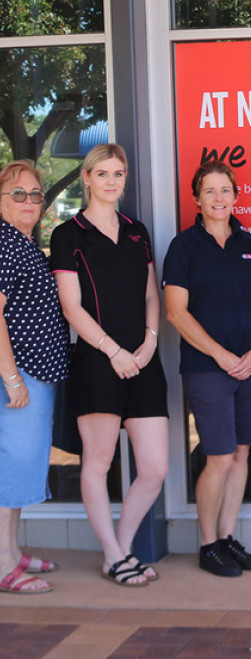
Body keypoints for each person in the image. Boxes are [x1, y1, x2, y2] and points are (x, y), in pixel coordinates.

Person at [50, 144, 169, 587]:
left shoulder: (138, 231)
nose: (112, 181)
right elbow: (71, 306)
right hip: (98, 362)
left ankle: (121, 548)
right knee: (98, 462)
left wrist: (150, 341)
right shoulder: (68, 234)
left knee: (155, 467)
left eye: (118, 173)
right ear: (86, 178)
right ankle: (115, 555)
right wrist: (113, 351)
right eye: (103, 173)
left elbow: (151, 295)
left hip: (143, 360)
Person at [163, 161, 251, 578]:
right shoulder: (184, 247)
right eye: (209, 191)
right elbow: (176, 313)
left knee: (243, 452)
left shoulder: (250, 243)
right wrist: (220, 355)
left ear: (236, 196)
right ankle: (208, 544)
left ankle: (228, 538)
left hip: (250, 366)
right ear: (197, 199)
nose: (218, 198)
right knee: (220, 457)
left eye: (225, 190)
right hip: (208, 370)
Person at [0, 160, 71, 594]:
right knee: (11, 468)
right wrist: (12, 380)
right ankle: (4, 563)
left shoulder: (24, 241)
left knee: (23, 467)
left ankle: (13, 549)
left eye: (35, 194)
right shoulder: (4, 243)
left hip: (34, 372)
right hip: (18, 375)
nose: (29, 201)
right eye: (17, 194)